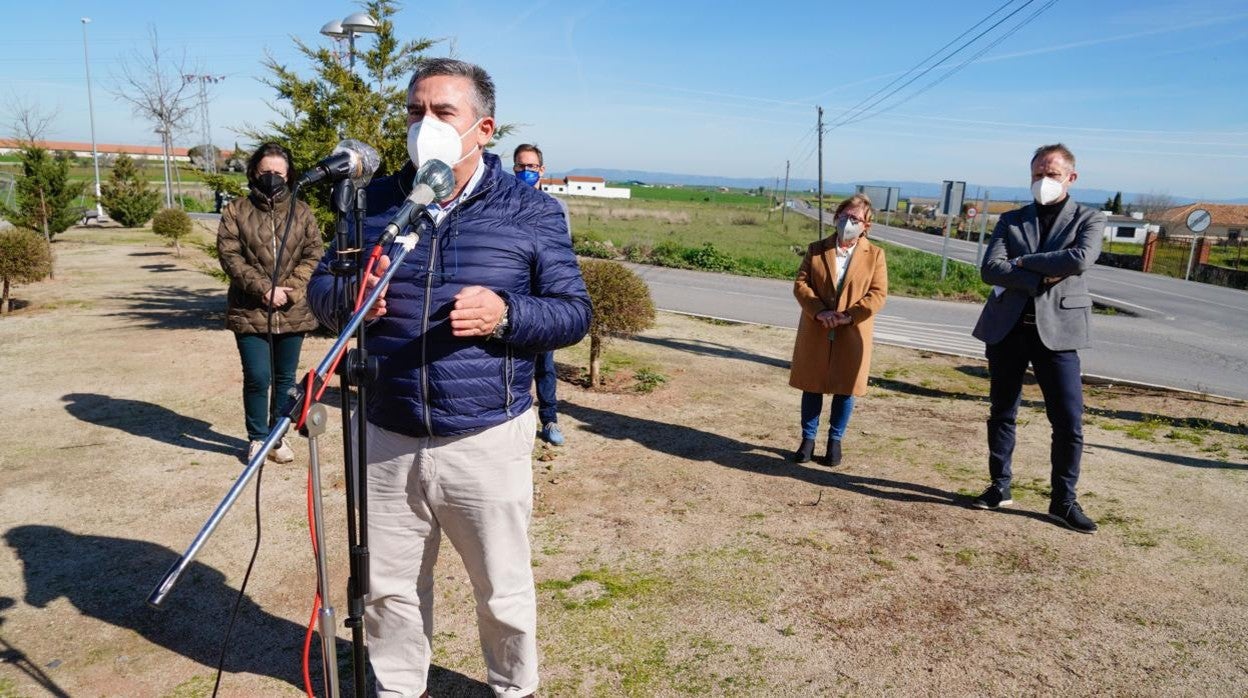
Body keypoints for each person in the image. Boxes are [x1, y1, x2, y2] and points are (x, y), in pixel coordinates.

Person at [306, 58, 591, 698]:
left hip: (485, 437)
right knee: (387, 587)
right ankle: (399, 686)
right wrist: (351, 295)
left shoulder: (530, 210)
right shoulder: (373, 203)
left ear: (482, 127)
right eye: (414, 111)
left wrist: (507, 314)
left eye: (442, 112)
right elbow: (321, 289)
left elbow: (574, 312)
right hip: (385, 429)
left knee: (502, 588)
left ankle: (512, 688)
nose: (423, 125)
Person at [970, 143, 1104, 534]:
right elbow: (991, 269)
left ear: (1071, 178)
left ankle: (1063, 500)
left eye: (1052, 174)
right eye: (1037, 174)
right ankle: (1000, 486)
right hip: (1008, 329)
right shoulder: (1011, 220)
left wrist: (1023, 262)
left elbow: (1079, 258)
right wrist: (1043, 272)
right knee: (1002, 411)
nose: (1043, 181)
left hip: (1059, 332)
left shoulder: (1089, 218)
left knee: (1067, 420)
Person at [216, 142, 322, 463]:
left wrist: (289, 287)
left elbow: (314, 253)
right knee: (258, 376)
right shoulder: (236, 210)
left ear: (288, 175)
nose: (272, 177)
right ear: (253, 172)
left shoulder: (301, 212)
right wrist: (263, 288)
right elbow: (230, 255)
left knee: (286, 380)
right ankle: (257, 438)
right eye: (266, 172)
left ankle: (277, 438)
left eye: (278, 172)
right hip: (249, 310)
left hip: (293, 309)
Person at [788, 193, 888, 466]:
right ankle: (807, 440)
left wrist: (848, 316)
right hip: (817, 327)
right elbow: (801, 285)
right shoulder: (816, 249)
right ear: (836, 218)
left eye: (855, 218)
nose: (848, 222)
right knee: (812, 385)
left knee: (846, 388)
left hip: (852, 331)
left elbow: (878, 294)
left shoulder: (875, 255)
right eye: (844, 216)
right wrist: (819, 311)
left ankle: (835, 441)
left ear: (866, 225)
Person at [513, 143, 567, 446]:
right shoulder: (506, 205)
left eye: (531, 167)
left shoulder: (554, 208)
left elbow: (562, 254)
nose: (525, 172)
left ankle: (549, 420)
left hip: (543, 298)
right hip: (514, 294)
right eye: (520, 167)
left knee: (544, 364)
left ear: (542, 170)